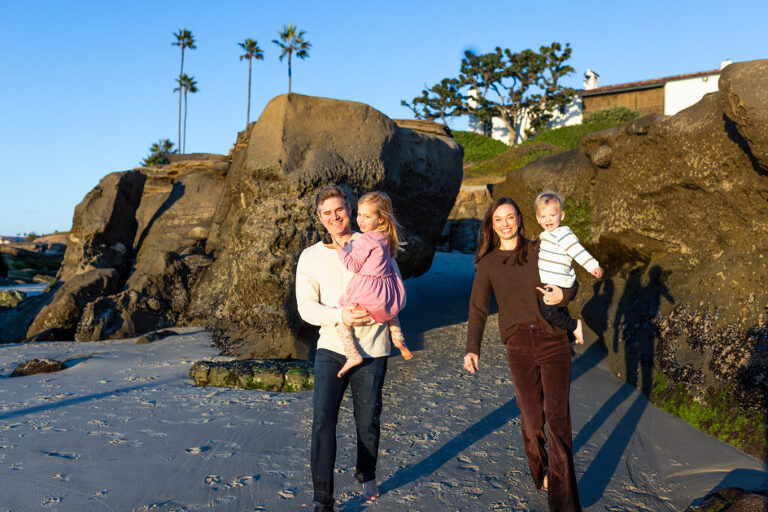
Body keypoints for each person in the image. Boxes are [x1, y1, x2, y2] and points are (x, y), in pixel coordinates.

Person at [464, 196, 582, 512]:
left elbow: (570, 280)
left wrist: (563, 295)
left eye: (510, 217)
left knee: (558, 420)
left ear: (519, 219)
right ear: (491, 225)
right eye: (498, 219)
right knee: (532, 420)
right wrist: (472, 348)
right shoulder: (488, 264)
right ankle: (540, 470)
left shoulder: (541, 249)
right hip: (518, 345)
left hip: (553, 339)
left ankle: (564, 503)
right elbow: (477, 308)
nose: (505, 223)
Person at [296, 185, 402, 511]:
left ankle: (366, 472)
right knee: (322, 421)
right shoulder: (311, 256)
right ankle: (322, 497)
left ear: (350, 209)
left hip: (373, 349)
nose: (334, 217)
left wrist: (386, 320)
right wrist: (339, 315)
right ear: (319, 217)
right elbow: (306, 307)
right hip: (332, 346)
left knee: (368, 420)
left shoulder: (374, 241)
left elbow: (395, 289)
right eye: (327, 213)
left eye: (339, 210)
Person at [329, 191, 411, 378]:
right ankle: (398, 339)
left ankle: (352, 354)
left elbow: (354, 266)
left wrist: (339, 249)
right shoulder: (385, 237)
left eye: (367, 216)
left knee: (341, 314)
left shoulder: (365, 239)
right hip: (386, 288)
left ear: (381, 219)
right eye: (359, 214)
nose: (360, 220)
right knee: (391, 311)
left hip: (368, 289)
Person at [534, 191, 603, 344]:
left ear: (562, 215)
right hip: (551, 282)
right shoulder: (545, 235)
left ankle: (574, 325)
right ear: (538, 219)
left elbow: (578, 252)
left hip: (559, 281)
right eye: (543, 216)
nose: (548, 219)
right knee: (558, 311)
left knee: (547, 311)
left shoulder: (563, 235)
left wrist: (593, 266)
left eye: (552, 215)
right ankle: (572, 336)